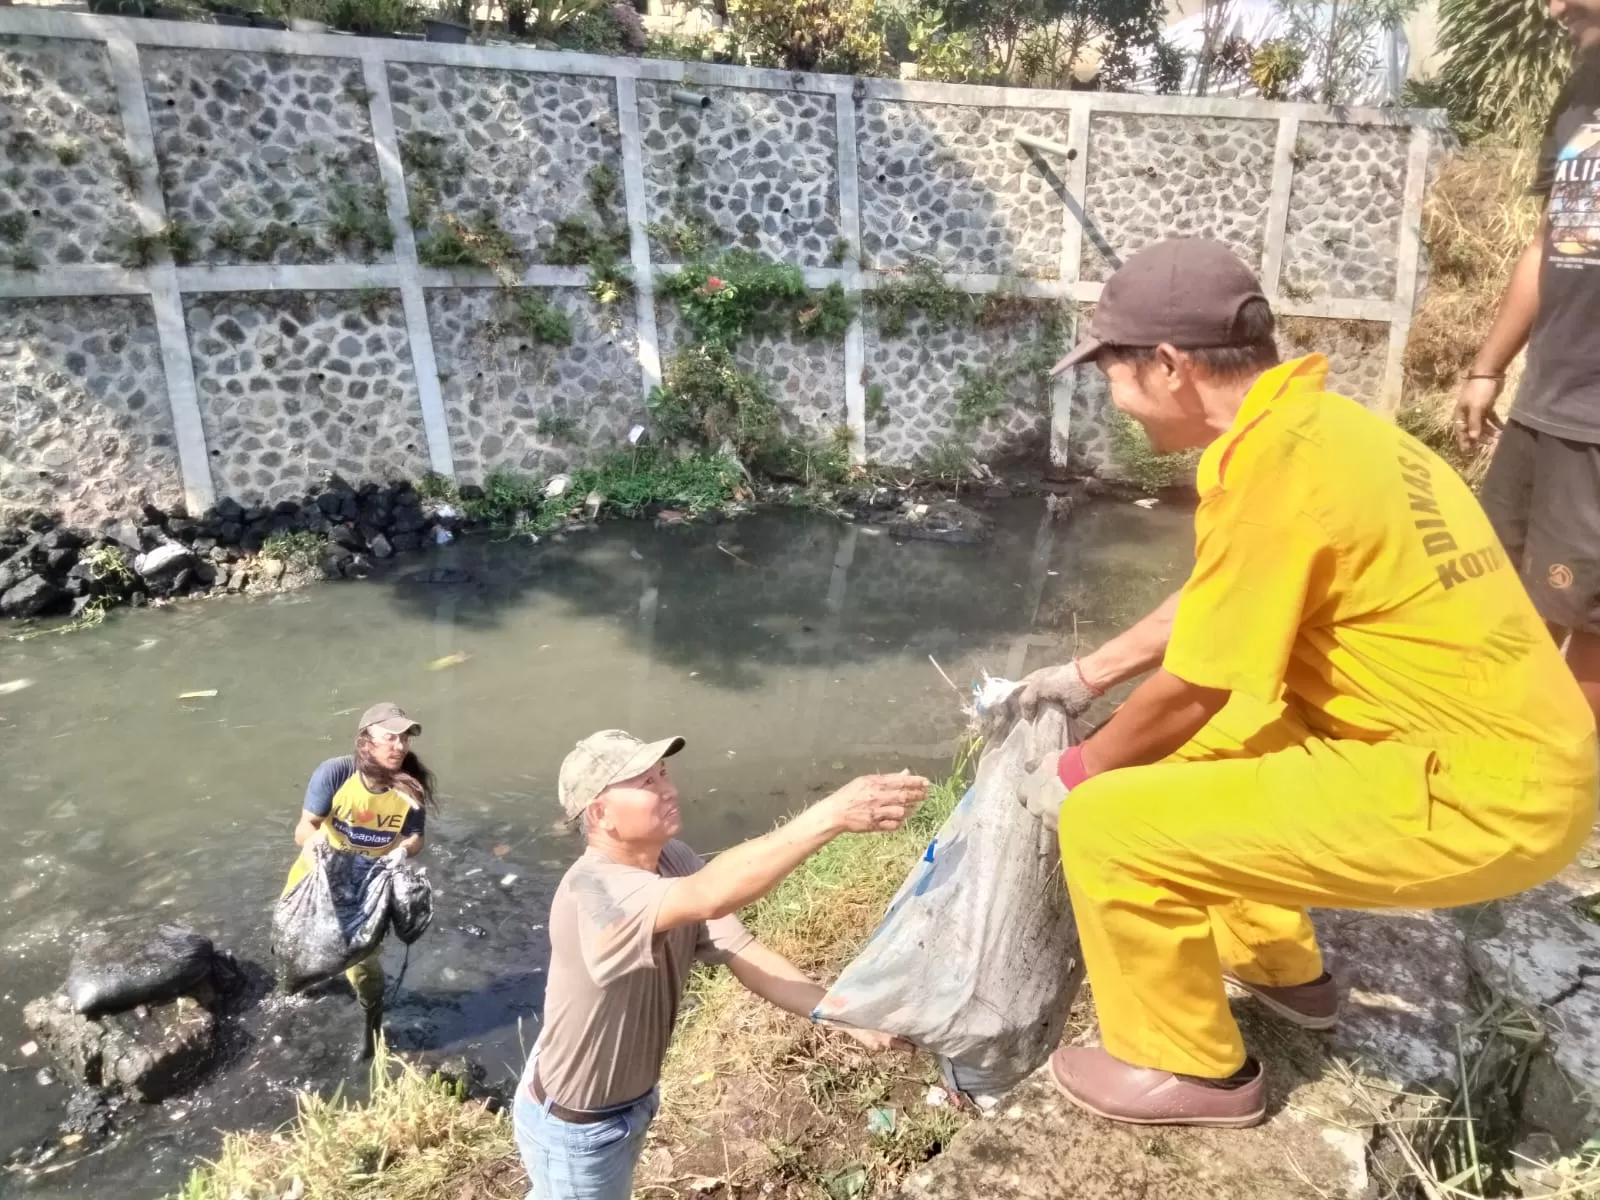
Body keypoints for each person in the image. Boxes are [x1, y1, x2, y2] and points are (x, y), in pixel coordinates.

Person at [1018, 238, 1597, 1128]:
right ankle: (1282, 969)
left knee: (1112, 819)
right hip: (1495, 753)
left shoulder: (1279, 468)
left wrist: (1073, 775)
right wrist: (1085, 673)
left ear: (1169, 365)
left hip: (1485, 795)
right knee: (1215, 747)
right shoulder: (1323, 433)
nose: (1109, 392)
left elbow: (1195, 687)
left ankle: (1193, 1071)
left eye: (1111, 369)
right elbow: (1217, 603)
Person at [515, 729, 925, 1199]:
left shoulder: (673, 860)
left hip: (626, 1104)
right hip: (577, 1128)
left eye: (663, 773)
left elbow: (741, 949)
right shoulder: (592, 892)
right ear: (600, 814)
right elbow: (710, 894)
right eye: (646, 783)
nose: (668, 788)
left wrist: (842, 1014)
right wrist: (831, 814)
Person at [1456, 0, 1600, 719]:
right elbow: (1547, 244)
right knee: (1504, 600)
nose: (1549, 8)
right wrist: (1489, 368)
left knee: (1591, 626)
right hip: (1544, 403)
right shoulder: (1580, 95)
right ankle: (1502, 766)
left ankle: (1565, 801)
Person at [285, 701, 434, 1060]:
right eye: (389, 738)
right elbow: (303, 829)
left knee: (365, 967)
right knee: (290, 942)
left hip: (366, 892)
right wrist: (318, 841)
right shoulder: (335, 773)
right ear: (365, 740)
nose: (399, 746)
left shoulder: (410, 789)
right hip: (318, 876)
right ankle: (295, 988)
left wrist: (403, 851)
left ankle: (372, 1031)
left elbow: (416, 839)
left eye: (404, 739)